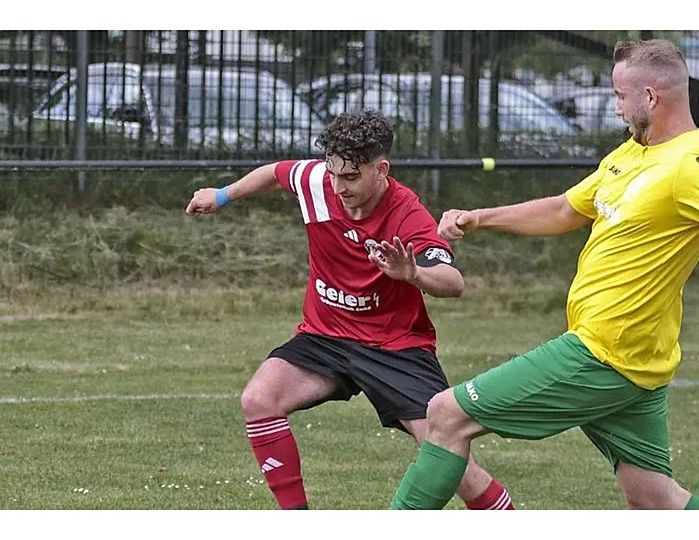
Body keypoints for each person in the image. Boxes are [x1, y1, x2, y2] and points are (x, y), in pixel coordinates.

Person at [389, 39, 699, 510]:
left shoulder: (693, 166)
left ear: (651, 97)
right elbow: (565, 209)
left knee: (445, 414)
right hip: (634, 359)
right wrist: (481, 217)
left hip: (604, 354)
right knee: (654, 498)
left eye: (621, 96)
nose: (616, 107)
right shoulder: (631, 154)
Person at [185, 110, 514, 510]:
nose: (339, 187)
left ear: (381, 169)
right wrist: (221, 195)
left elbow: (452, 282)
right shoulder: (318, 183)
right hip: (325, 336)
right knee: (259, 399)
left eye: (351, 177)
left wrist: (412, 273)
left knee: (454, 464)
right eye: (333, 174)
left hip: (394, 347)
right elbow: (275, 173)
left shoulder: (407, 214)